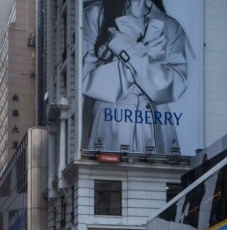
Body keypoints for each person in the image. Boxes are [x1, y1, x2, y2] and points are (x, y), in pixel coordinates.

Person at [81, 0, 196, 155]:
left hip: (157, 126)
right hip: (111, 123)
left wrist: (125, 49)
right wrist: (146, 55)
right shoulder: (94, 15)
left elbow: (170, 87)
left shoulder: (170, 25)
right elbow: (89, 80)